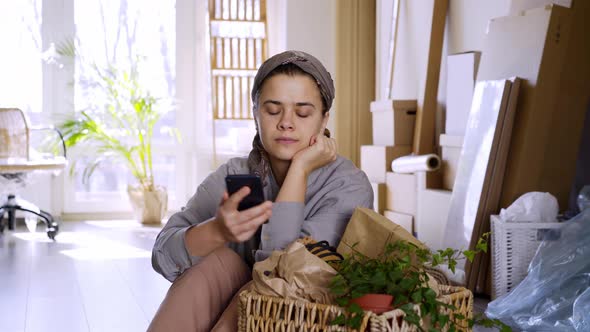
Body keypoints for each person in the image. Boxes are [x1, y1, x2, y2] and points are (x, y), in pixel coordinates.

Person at [148, 50, 373, 331]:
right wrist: (216, 231)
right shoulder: (235, 174)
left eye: (303, 112)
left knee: (257, 288)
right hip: (235, 292)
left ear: (324, 120)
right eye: (273, 110)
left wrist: (299, 170)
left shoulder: (348, 187)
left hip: (307, 314)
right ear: (255, 113)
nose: (286, 122)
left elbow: (283, 278)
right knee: (214, 263)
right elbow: (162, 256)